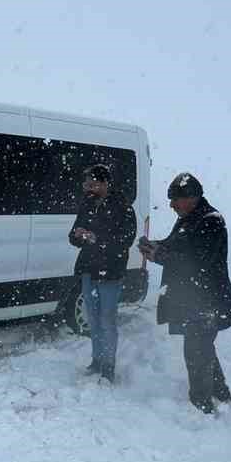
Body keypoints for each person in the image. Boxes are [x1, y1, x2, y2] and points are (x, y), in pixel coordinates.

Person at [138, 173, 231, 413]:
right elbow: (177, 245)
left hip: (207, 300)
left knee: (196, 351)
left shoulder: (210, 220)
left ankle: (202, 406)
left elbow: (197, 261)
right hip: (193, 299)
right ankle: (221, 395)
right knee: (203, 348)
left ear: (191, 197)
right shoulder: (189, 218)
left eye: (175, 200)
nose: (171, 205)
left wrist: (158, 256)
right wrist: (156, 246)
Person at [69, 163, 138, 381]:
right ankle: (96, 360)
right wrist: (78, 235)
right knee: (93, 318)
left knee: (107, 320)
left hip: (110, 271)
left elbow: (125, 240)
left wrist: (95, 238)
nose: (88, 187)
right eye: (87, 183)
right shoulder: (87, 204)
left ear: (105, 183)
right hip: (88, 269)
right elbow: (73, 235)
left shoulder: (123, 207)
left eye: (93, 183)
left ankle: (108, 366)